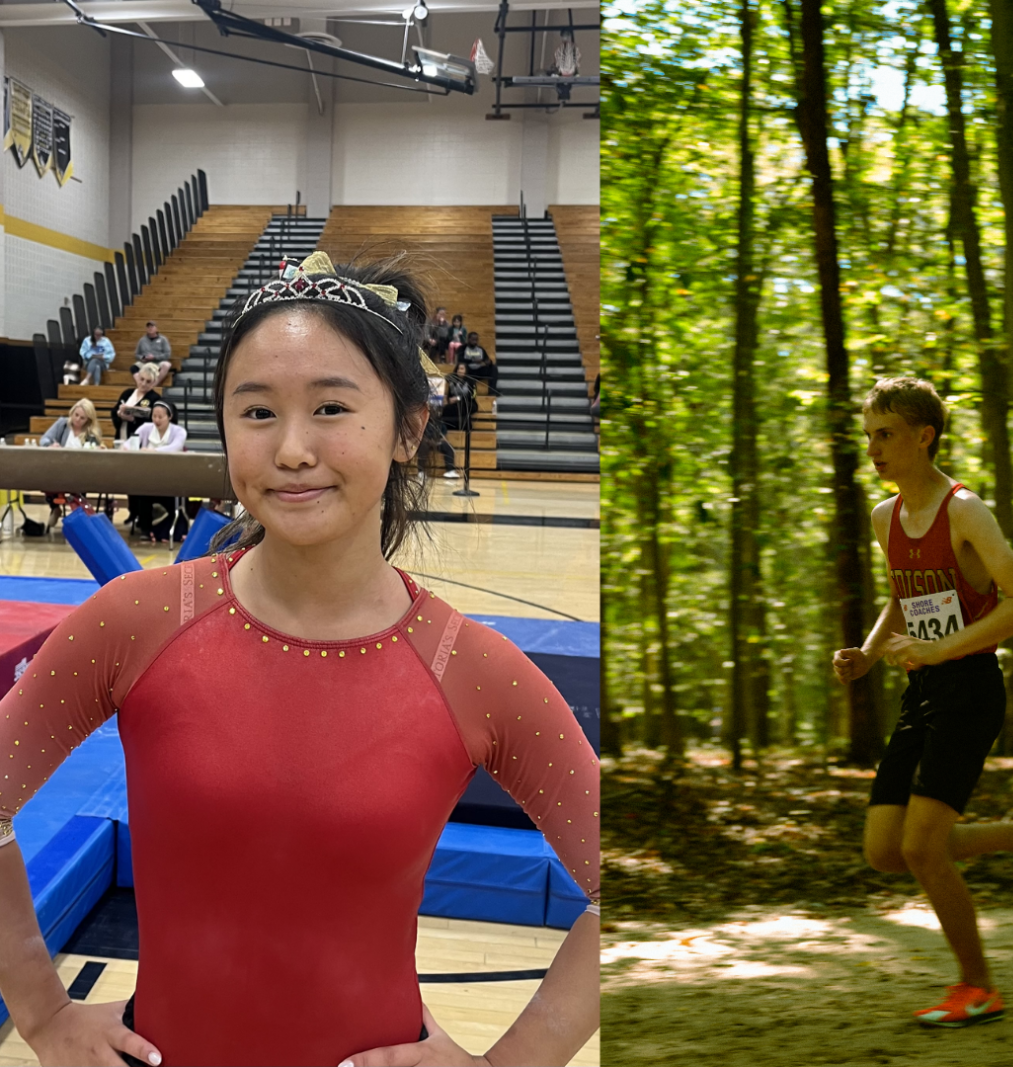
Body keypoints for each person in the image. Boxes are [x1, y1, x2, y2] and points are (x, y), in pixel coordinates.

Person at [0, 250, 598, 1067]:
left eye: (330, 408)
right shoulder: (137, 622)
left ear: (408, 428)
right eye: (256, 412)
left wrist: (511, 1061)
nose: (290, 448)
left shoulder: (472, 668)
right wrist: (42, 1010)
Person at [831, 376, 1013, 1029]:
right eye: (869, 434)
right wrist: (871, 654)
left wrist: (944, 648)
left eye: (886, 434)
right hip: (924, 689)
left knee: (924, 847)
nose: (873, 448)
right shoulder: (886, 517)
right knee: (886, 848)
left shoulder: (965, 511)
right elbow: (906, 595)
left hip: (970, 689)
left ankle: (978, 985)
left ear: (923, 435)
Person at [122, 400, 188, 543]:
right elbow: (129, 443)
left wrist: (153, 451)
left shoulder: (179, 431)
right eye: (154, 416)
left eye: (160, 417)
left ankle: (168, 529)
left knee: (174, 499)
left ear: (169, 417)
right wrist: (128, 448)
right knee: (142, 492)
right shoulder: (145, 428)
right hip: (146, 477)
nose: (156, 420)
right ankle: (145, 528)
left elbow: (176, 447)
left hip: (169, 479)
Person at [37, 398, 103, 529]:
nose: (77, 419)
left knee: (80, 484)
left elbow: (94, 454)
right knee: (44, 478)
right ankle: (55, 507)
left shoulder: (91, 434)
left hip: (81, 473)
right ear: (72, 413)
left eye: (82, 418)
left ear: (88, 420)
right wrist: (50, 445)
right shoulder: (62, 424)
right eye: (76, 415)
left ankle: (79, 517)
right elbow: (44, 439)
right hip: (59, 469)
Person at [419, 372, 461, 479]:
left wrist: (442, 439)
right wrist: (428, 440)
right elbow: (421, 434)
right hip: (426, 441)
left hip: (437, 441)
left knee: (449, 448)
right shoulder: (424, 419)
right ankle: (421, 472)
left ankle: (450, 470)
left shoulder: (439, 420)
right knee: (423, 446)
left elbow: (443, 432)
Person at [111, 365, 161, 444]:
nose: (143, 384)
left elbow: (153, 421)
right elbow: (114, 411)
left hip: (141, 440)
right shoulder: (127, 393)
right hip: (121, 435)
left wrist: (133, 420)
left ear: (154, 383)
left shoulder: (155, 398)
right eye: (142, 379)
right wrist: (119, 414)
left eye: (148, 381)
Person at [457, 331, 499, 396]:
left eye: (476, 340)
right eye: (473, 339)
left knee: (493, 368)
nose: (475, 341)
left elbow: (487, 360)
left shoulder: (481, 349)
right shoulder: (463, 348)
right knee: (461, 367)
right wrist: (473, 361)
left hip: (479, 370)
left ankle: (492, 392)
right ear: (468, 339)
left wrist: (488, 362)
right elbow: (460, 359)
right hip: (468, 371)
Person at [441, 362, 478, 434]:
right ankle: (448, 429)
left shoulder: (471, 382)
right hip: (455, 403)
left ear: (466, 370)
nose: (460, 371)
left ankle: (465, 430)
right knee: (447, 409)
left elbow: (472, 396)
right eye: (458, 369)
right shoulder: (452, 381)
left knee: (464, 408)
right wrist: (449, 400)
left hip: (468, 402)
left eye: (462, 369)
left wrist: (459, 399)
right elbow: (450, 395)